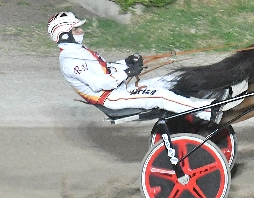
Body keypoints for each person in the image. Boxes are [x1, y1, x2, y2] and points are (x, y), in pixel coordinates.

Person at [48, 12, 227, 123]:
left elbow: (105, 68)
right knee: (160, 95)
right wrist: (127, 73)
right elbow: (98, 84)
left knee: (169, 80)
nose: (81, 31)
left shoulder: (78, 51)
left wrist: (125, 63)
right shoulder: (70, 61)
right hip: (111, 98)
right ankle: (206, 111)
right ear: (64, 35)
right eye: (76, 29)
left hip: (119, 89)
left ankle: (210, 92)